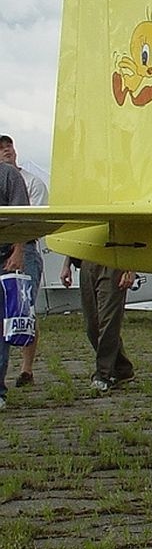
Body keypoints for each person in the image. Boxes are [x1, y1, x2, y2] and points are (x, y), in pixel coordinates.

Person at [0, 135, 46, 386]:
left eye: (9, 146)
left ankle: (26, 368)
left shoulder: (31, 182)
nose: (6, 150)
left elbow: (29, 223)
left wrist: (18, 250)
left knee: (22, 310)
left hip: (24, 249)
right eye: (1, 148)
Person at [60, 257, 137, 392]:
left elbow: (133, 236)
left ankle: (103, 374)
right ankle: (123, 368)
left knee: (108, 322)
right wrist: (67, 264)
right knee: (92, 326)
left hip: (114, 260)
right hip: (87, 260)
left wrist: (131, 269)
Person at [0, 154, 33, 411]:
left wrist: (18, 251)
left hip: (5, 257)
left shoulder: (9, 175)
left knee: (2, 328)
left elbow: (22, 215)